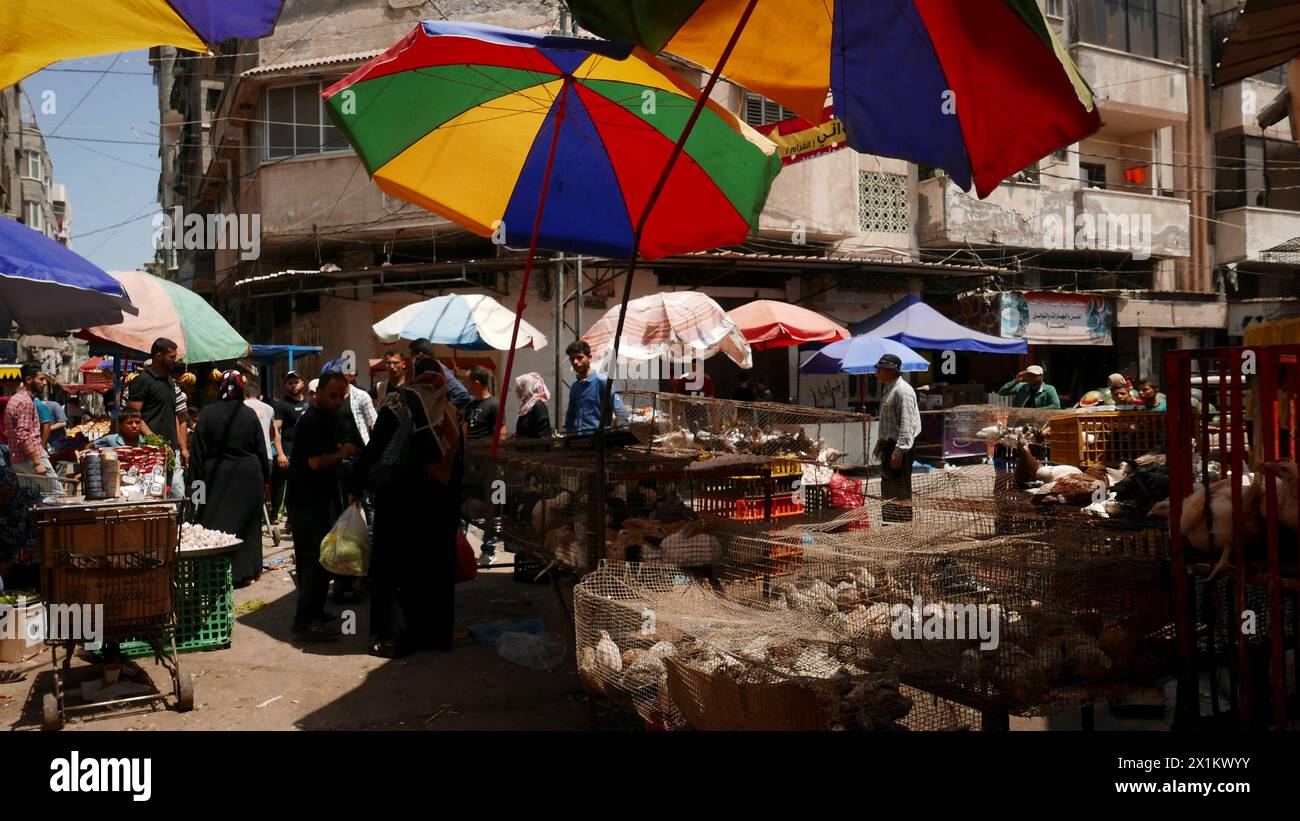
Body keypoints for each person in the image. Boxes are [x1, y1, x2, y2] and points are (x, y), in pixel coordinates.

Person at [348, 358, 463, 658]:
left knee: (393, 567)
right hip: (437, 504)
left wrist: (355, 483)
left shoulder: (400, 403)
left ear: (413, 374)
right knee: (432, 569)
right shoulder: (447, 409)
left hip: (399, 500)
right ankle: (436, 636)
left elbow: (376, 447)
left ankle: (395, 638)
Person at [287, 372, 356, 642]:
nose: (338, 400)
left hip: (320, 499)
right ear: (318, 394)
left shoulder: (328, 419)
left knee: (322, 560)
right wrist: (344, 452)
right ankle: (305, 623)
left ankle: (315, 612)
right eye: (333, 395)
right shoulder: (313, 420)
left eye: (342, 396)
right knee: (313, 563)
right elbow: (316, 462)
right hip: (307, 503)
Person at [190, 371, 271, 587]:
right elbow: (261, 450)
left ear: (221, 388)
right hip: (249, 477)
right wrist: (266, 478)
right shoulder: (249, 414)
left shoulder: (207, 414)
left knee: (214, 524)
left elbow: (197, 453)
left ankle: (213, 573)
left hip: (216, 478)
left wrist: (196, 486)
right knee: (249, 526)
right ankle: (247, 572)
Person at [125, 338, 188, 498]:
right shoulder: (143, 381)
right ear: (159, 356)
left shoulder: (169, 381)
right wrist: (154, 440)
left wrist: (182, 447)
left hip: (171, 450)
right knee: (153, 496)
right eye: (172, 357)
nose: (175, 360)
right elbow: (133, 415)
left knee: (177, 494)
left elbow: (173, 414)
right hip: (150, 451)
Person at [873, 354, 922, 524]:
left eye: (879, 369)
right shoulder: (888, 389)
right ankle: (890, 522)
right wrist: (880, 444)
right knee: (888, 487)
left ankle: (901, 525)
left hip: (899, 448)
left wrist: (899, 452)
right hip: (889, 447)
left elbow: (907, 424)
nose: (876, 372)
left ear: (891, 370)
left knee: (900, 489)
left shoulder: (903, 391)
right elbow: (888, 423)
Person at [4, 364, 62, 495]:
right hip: (31, 459)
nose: (45, 383)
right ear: (29, 380)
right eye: (41, 379)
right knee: (57, 494)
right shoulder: (25, 402)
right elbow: (23, 434)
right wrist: (37, 462)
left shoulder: (15, 399)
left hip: (18, 460)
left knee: (31, 499)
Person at [564, 340, 626, 433]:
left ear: (589, 358)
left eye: (579, 357)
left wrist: (621, 436)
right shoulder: (575, 387)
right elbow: (570, 417)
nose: (575, 362)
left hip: (600, 441)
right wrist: (569, 438)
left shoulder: (603, 382)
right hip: (580, 441)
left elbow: (621, 412)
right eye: (572, 359)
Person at [271, 371, 309, 524]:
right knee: (280, 484)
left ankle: (292, 518)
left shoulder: (308, 402)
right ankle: (274, 515)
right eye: (290, 383)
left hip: (305, 451)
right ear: (285, 385)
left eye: (296, 382)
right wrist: (280, 453)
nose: (293, 385)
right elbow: (275, 428)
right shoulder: (281, 404)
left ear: (303, 383)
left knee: (299, 485)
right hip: (287, 449)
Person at [0, 462, 41, 592]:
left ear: (11, 485)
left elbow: (35, 540)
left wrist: (8, 565)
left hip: (26, 564)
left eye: (1, 491)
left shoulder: (29, 500)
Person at [407, 338, 472, 412]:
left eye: (412, 354)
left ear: (419, 355)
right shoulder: (422, 372)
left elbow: (463, 395)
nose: (411, 358)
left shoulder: (440, 370)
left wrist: (445, 411)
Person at [243, 380, 280, 461]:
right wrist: (280, 453)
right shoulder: (269, 409)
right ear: (258, 395)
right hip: (266, 455)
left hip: (245, 457)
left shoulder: (239, 407)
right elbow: (274, 433)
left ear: (244, 394)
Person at [464, 366, 499, 441]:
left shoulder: (494, 405)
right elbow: (466, 429)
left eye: (467, 382)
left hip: (484, 450)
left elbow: (500, 434)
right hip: (469, 450)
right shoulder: (470, 403)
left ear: (477, 384)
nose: (465, 385)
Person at [514, 373, 553, 438]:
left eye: (521, 387)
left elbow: (543, 435)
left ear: (528, 387)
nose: (516, 391)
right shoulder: (527, 406)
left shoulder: (538, 406)